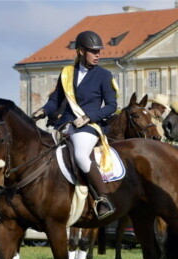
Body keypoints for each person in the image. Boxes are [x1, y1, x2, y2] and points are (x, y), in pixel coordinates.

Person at [32, 30, 117, 219]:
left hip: (89, 126)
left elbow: (112, 106)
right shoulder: (67, 73)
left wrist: (88, 117)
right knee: (42, 151)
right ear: (80, 51)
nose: (98, 55)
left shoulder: (104, 75)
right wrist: (42, 111)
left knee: (80, 154)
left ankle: (103, 198)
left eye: (98, 52)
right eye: (93, 51)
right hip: (65, 124)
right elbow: (55, 101)